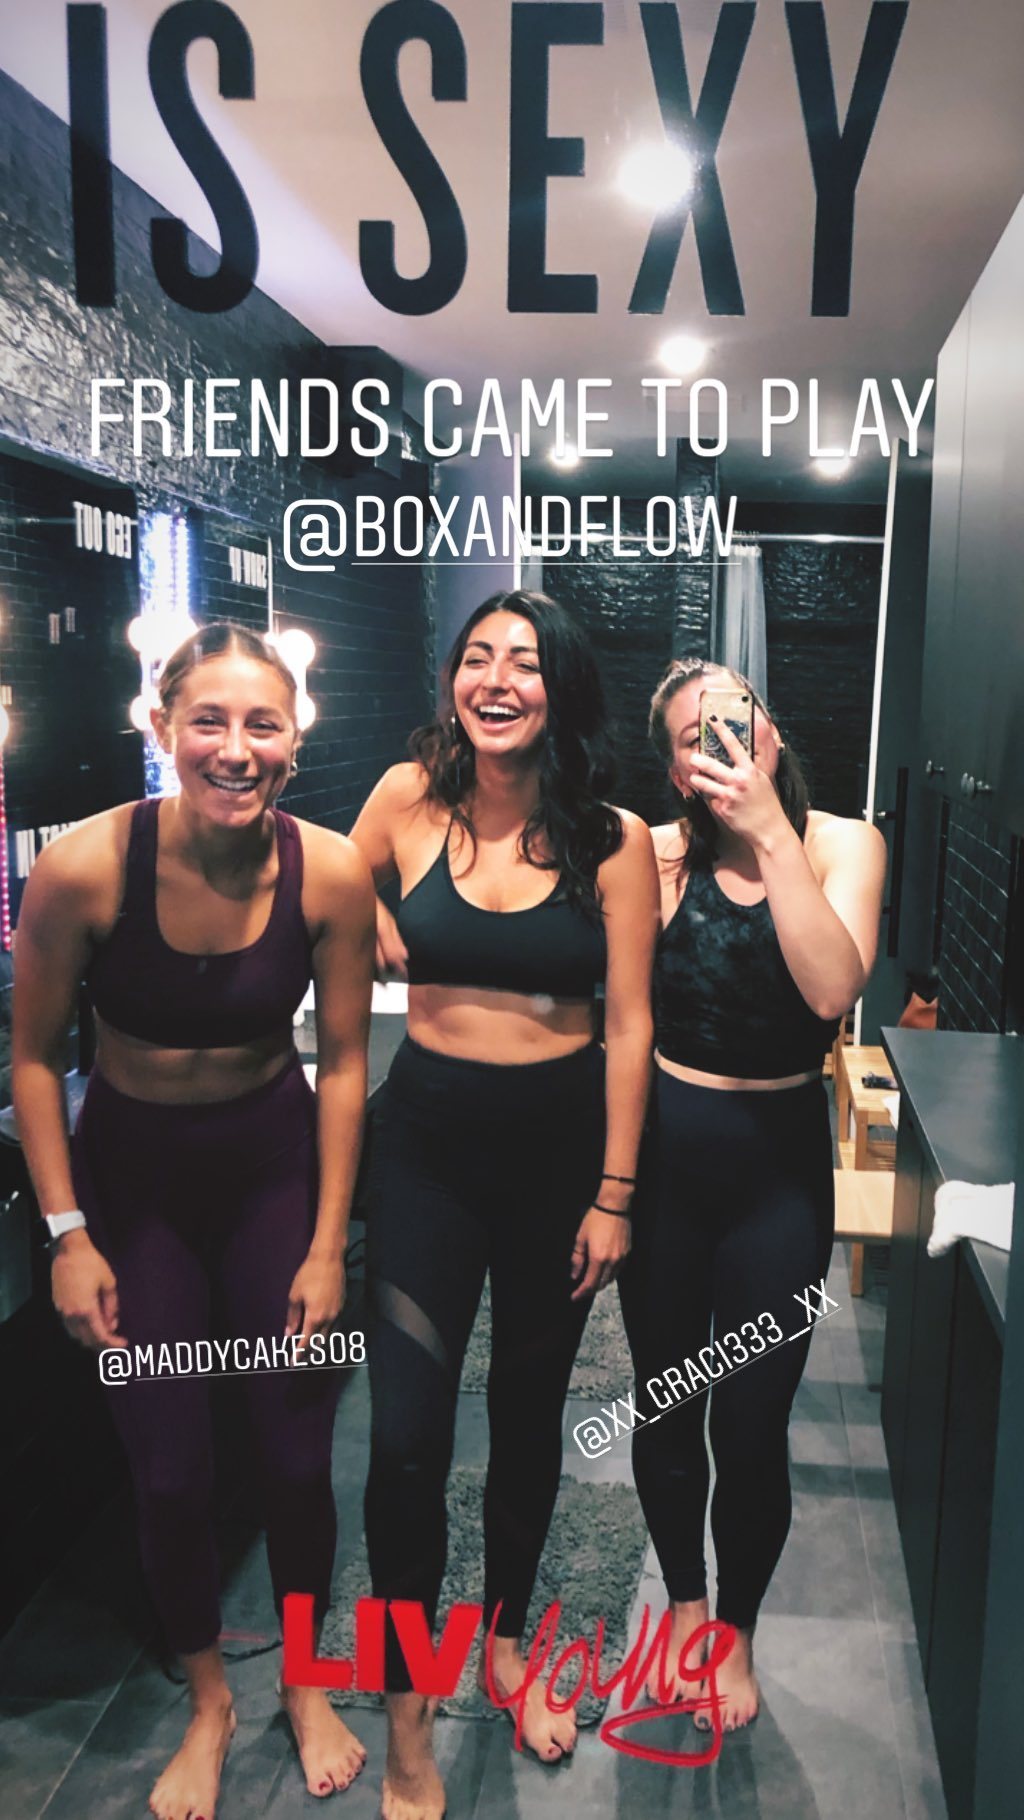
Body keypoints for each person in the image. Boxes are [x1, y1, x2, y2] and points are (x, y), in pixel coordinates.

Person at [12, 623, 376, 1820]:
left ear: (293, 737)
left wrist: (327, 1241)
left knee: (295, 1455)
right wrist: (69, 1233)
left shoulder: (330, 871)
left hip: (273, 1173)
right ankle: (210, 1699)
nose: (235, 747)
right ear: (161, 725)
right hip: (135, 1188)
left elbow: (344, 1062)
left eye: (262, 722)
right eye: (207, 720)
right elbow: (33, 1059)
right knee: (169, 1468)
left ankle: (308, 1681)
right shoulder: (83, 867)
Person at [349, 590, 658, 1820]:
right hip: (423, 1152)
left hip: (556, 1157)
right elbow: (323, 881)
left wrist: (615, 1191)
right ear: (452, 681)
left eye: (522, 662)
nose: (494, 678)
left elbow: (630, 1021)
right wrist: (373, 906)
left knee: (528, 1419)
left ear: (558, 688)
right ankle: (406, 1714)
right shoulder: (402, 799)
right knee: (404, 1441)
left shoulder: (611, 839)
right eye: (475, 657)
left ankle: (509, 1644)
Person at [619, 656, 886, 1733]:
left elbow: (830, 989)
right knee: (666, 1401)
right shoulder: (655, 855)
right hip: (667, 1170)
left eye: (737, 716)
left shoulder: (840, 844)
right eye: (696, 735)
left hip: (778, 1175)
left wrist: (771, 830)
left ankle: (735, 1631)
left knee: (752, 1419)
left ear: (770, 727)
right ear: (675, 769)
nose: (723, 741)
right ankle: (686, 1607)